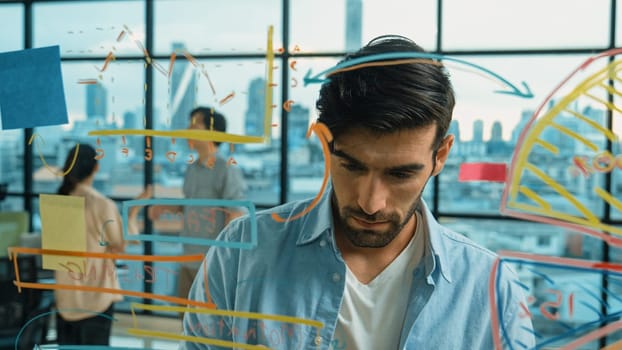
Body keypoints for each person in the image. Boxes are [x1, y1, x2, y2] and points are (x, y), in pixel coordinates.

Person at [180, 36, 535, 349]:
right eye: (352, 167)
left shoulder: (492, 290)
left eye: (400, 174)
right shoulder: (242, 254)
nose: (370, 202)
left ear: (440, 155)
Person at [54, 143, 151, 345]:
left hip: (65, 297)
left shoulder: (56, 200)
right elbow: (119, 245)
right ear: (96, 168)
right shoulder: (100, 204)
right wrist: (133, 212)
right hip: (95, 297)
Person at [148, 106, 247, 306]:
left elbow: (237, 212)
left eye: (194, 124)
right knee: (184, 317)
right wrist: (166, 208)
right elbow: (190, 206)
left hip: (211, 263)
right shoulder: (191, 169)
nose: (188, 129)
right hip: (187, 255)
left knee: (208, 324)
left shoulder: (226, 169)